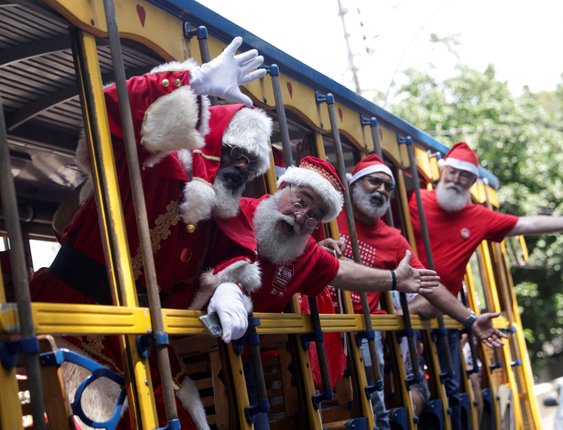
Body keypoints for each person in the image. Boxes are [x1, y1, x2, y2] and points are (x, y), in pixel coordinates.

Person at [29, 37, 273, 430]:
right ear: (209, 141)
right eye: (233, 153)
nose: (240, 167)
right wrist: (194, 82)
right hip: (76, 316)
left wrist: (230, 288)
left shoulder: (220, 212)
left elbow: (233, 253)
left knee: (180, 420)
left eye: (250, 163)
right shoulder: (148, 163)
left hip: (141, 333)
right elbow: (110, 105)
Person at [204, 156, 441, 429]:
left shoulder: (304, 250)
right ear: (283, 187)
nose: (301, 216)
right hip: (197, 349)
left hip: (254, 359)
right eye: (301, 201)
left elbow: (341, 272)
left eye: (314, 216)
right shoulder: (237, 212)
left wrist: (393, 279)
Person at [408, 141, 563, 430]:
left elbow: (526, 224)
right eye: (452, 173)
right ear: (443, 172)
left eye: (464, 176)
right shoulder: (413, 201)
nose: (456, 180)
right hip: (406, 298)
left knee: (451, 392)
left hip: (446, 315)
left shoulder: (478, 216)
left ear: (471, 182)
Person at [320, 154, 505, 428]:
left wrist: (469, 319)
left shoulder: (393, 239)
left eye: (388, 187)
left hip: (364, 334)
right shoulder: (329, 216)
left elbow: (430, 286)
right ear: (354, 184)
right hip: (320, 326)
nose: (382, 190)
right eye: (375, 182)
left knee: (376, 411)